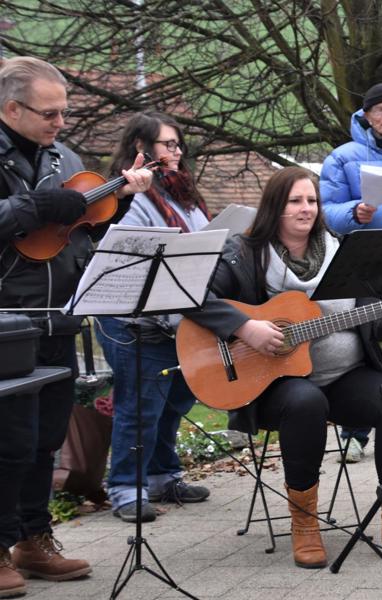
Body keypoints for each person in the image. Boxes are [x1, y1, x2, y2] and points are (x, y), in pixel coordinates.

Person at [183, 166, 382, 568]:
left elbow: (366, 323)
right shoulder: (244, 254)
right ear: (274, 207)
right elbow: (192, 295)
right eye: (295, 201)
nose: (306, 209)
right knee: (306, 402)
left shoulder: (341, 251)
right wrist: (245, 327)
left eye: (312, 201)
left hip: (346, 376)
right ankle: (305, 525)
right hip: (273, 384)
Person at [0, 57, 152, 596]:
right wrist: (31, 205)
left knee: (44, 439)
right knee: (9, 440)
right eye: (50, 113)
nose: (60, 123)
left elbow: (75, 228)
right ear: (11, 108)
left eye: (64, 112)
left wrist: (107, 208)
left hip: (61, 315)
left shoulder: (63, 156)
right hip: (8, 321)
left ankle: (33, 541)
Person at [95, 112, 211, 523]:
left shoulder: (183, 194)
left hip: (177, 314)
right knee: (139, 405)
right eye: (168, 145)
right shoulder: (127, 198)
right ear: (142, 150)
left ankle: (162, 475)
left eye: (179, 144)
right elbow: (119, 247)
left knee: (177, 398)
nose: (177, 152)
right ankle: (126, 487)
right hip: (131, 319)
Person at [319, 83, 382, 463]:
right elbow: (326, 211)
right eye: (378, 111)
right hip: (361, 269)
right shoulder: (342, 157)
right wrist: (353, 214)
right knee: (362, 351)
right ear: (365, 117)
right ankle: (354, 433)